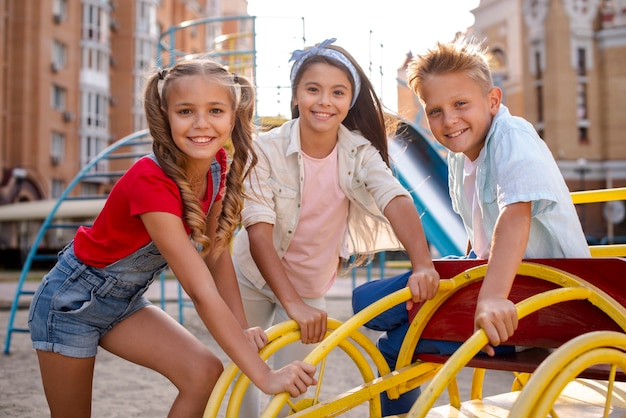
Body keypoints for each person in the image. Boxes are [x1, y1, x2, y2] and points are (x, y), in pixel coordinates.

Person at [28, 58, 317, 418]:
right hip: (69, 305)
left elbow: (214, 254)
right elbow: (199, 291)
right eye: (185, 111)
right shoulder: (150, 181)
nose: (201, 123)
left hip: (122, 303)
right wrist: (266, 376)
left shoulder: (216, 167)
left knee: (203, 373)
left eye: (215, 110)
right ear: (165, 116)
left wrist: (243, 327)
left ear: (232, 115)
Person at [351, 36, 591, 415]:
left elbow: (515, 215)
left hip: (535, 298)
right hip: (496, 284)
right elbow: (478, 238)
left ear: (493, 101)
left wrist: (492, 297)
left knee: (383, 319)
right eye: (435, 111)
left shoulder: (513, 137)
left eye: (461, 104)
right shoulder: (460, 160)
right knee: (369, 305)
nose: (449, 120)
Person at [231, 38, 440, 416]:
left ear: (349, 101)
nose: (325, 101)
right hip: (249, 275)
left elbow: (395, 198)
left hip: (308, 285)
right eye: (313, 89)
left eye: (337, 92)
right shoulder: (265, 149)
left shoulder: (358, 152)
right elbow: (258, 232)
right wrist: (290, 304)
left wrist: (422, 263)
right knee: (240, 375)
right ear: (296, 95)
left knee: (299, 390)